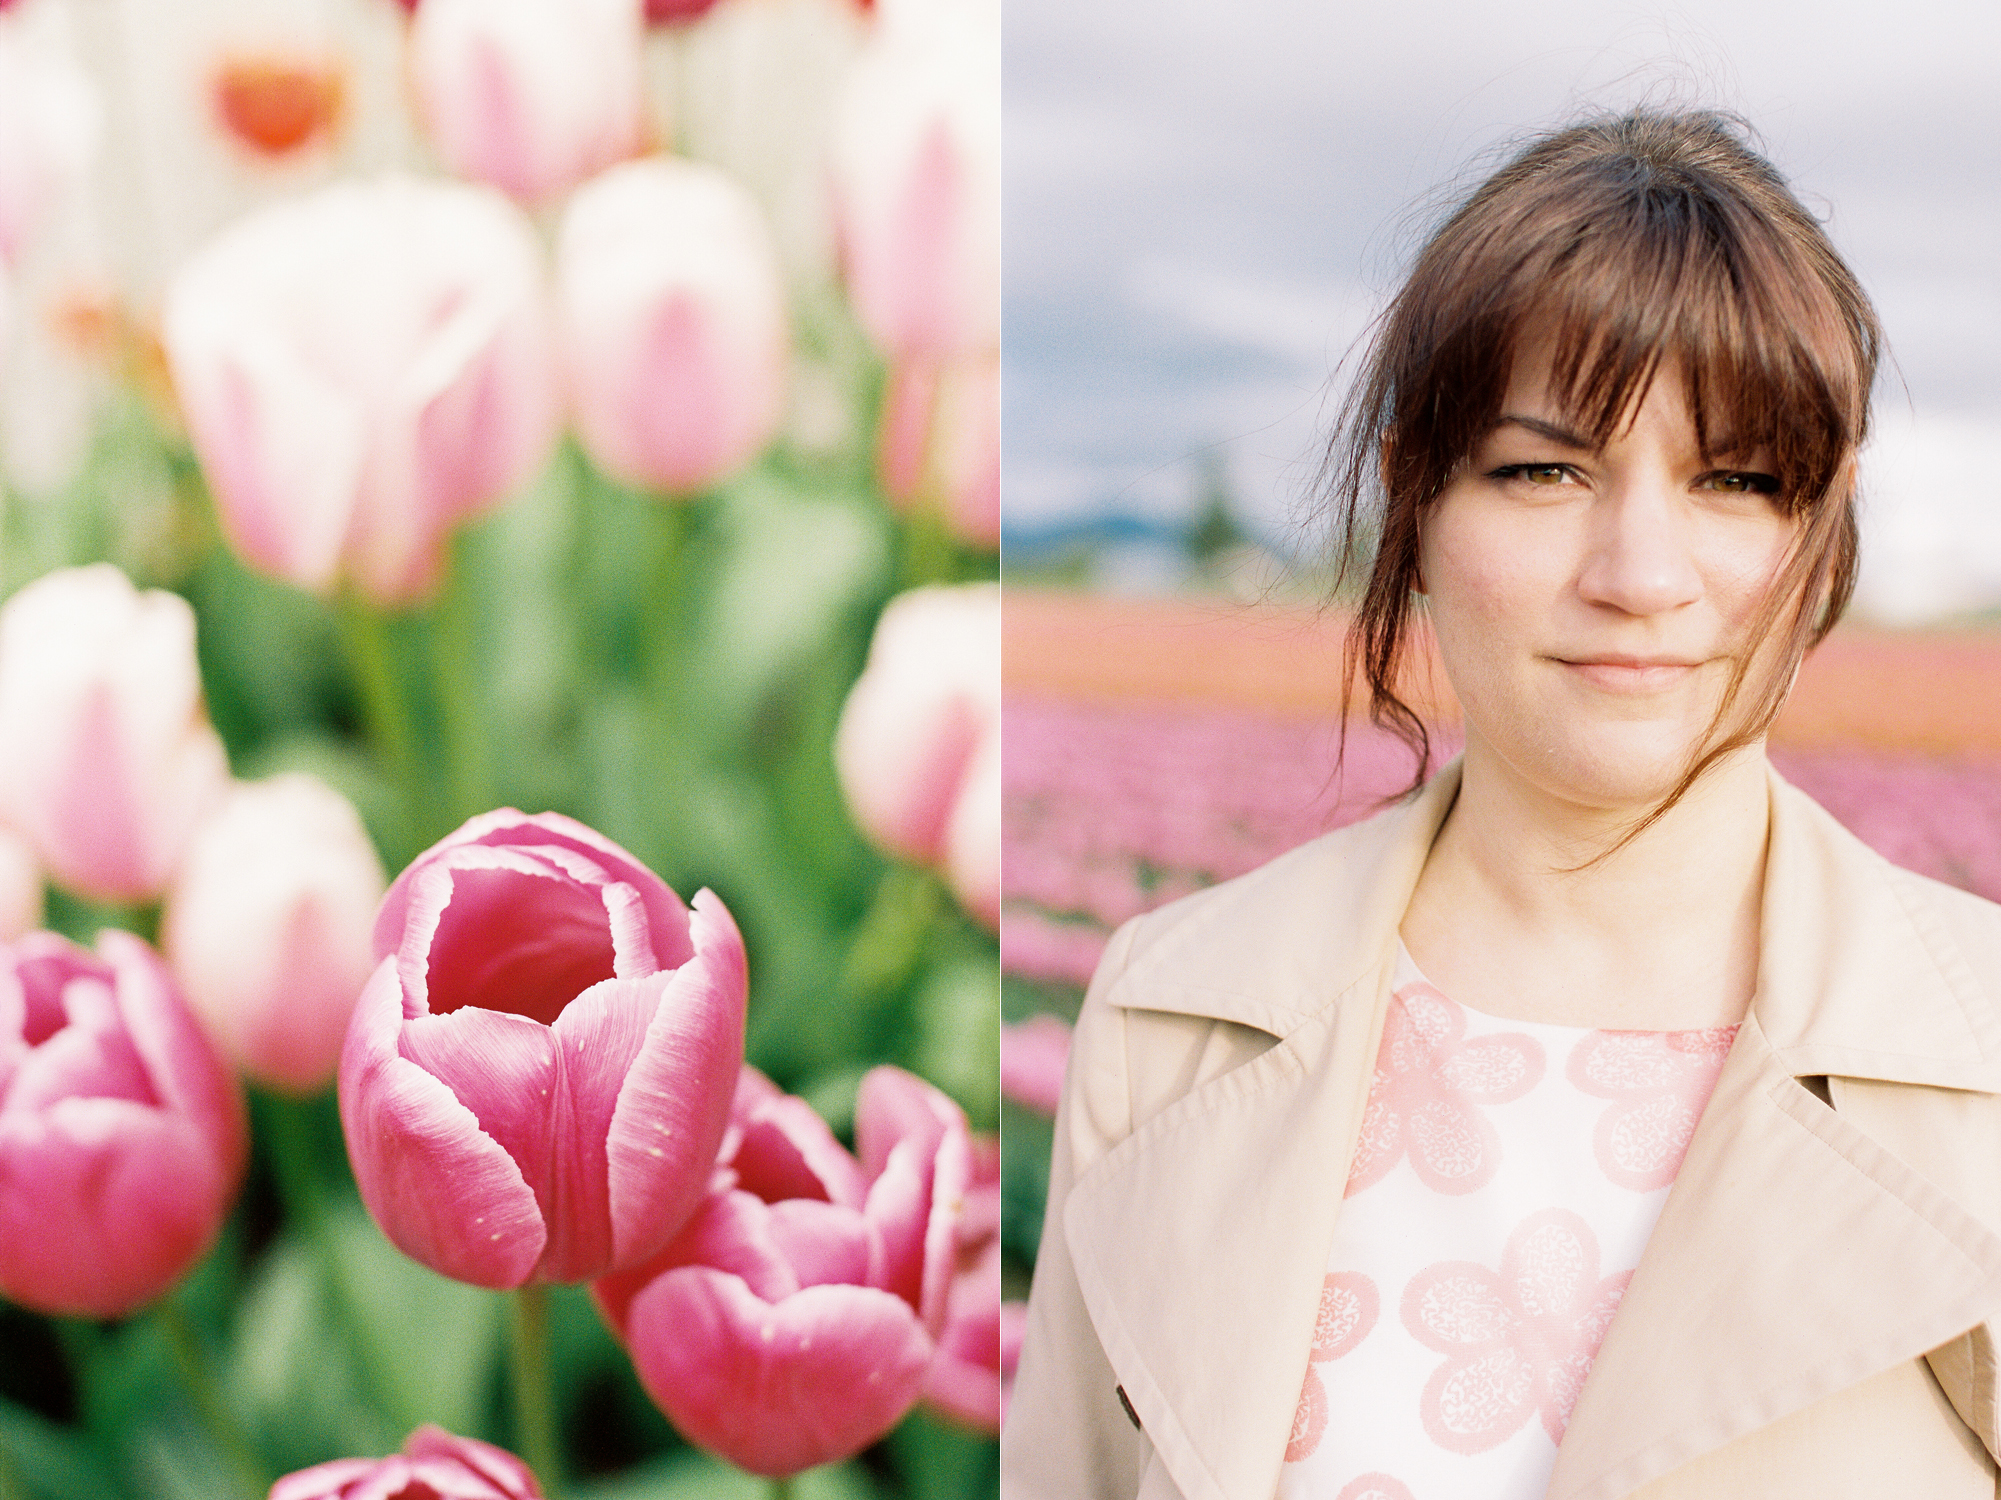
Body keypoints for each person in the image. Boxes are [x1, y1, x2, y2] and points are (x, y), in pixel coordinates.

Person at [1001, 109, 2001, 1500]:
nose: (1639, 573)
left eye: (1738, 480)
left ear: (1820, 533)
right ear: (1414, 494)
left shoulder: (1978, 1058)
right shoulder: (1172, 1015)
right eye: (1543, 471)